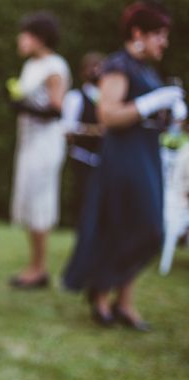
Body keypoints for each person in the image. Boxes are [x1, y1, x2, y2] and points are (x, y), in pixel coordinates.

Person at [62, 2, 186, 330]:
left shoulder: (149, 70)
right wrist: (152, 102)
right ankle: (102, 293)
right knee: (133, 225)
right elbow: (109, 116)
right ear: (138, 33)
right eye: (159, 34)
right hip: (124, 156)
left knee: (147, 229)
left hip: (146, 152)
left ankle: (124, 301)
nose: (165, 42)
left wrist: (172, 115)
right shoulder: (119, 65)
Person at [7, 11, 71, 288]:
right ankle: (34, 265)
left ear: (40, 38)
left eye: (26, 34)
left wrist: (25, 107)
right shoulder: (31, 66)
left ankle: (39, 268)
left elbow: (57, 109)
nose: (21, 39)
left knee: (39, 202)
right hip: (29, 140)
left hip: (46, 143)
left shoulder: (55, 66)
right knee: (28, 200)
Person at [61, 52, 105, 221]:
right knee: (84, 199)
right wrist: (94, 130)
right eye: (92, 67)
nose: (96, 71)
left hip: (107, 158)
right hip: (83, 157)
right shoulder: (75, 97)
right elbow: (67, 127)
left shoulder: (109, 98)